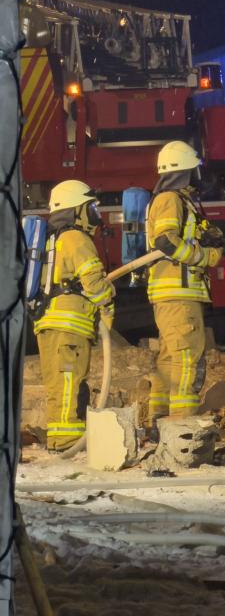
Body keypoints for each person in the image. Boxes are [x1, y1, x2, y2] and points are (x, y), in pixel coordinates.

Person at [34, 180, 115, 451]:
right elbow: (93, 283)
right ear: (76, 209)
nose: (96, 214)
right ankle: (68, 442)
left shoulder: (53, 239)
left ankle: (59, 439)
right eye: (91, 207)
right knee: (69, 382)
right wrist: (108, 298)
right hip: (69, 326)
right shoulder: (75, 238)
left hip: (49, 323)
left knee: (58, 384)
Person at [145, 140, 223, 422]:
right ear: (185, 171)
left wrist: (210, 237)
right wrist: (203, 256)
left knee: (170, 358)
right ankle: (183, 423)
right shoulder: (170, 200)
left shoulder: (177, 200)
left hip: (174, 295)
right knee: (186, 358)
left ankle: (159, 420)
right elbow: (166, 241)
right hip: (179, 294)